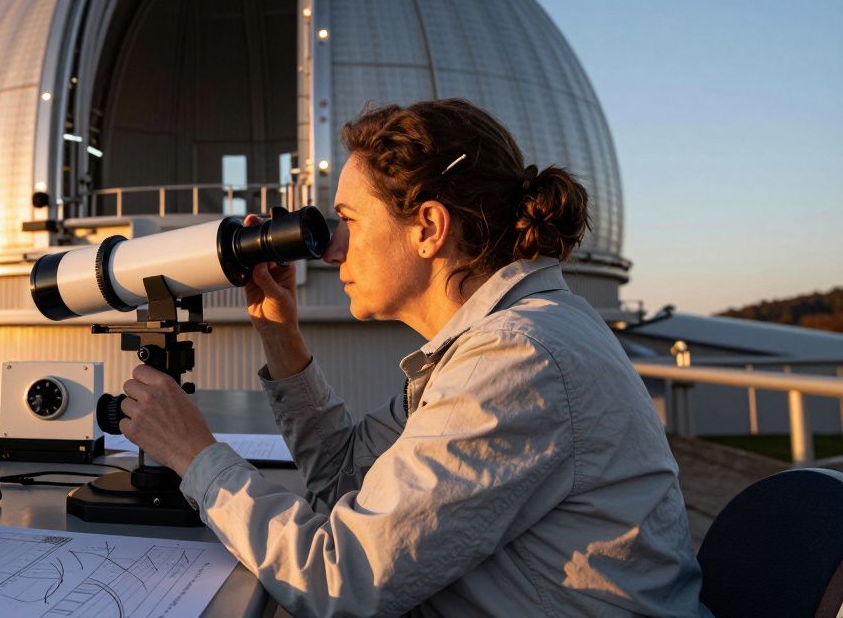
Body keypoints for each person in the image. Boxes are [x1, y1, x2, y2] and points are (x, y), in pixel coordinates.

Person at [117, 98, 705, 616]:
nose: (331, 249)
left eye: (348, 221)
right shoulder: (495, 341)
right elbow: (344, 478)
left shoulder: (516, 361)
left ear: (428, 227)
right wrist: (280, 332)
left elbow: (338, 580)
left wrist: (194, 455)